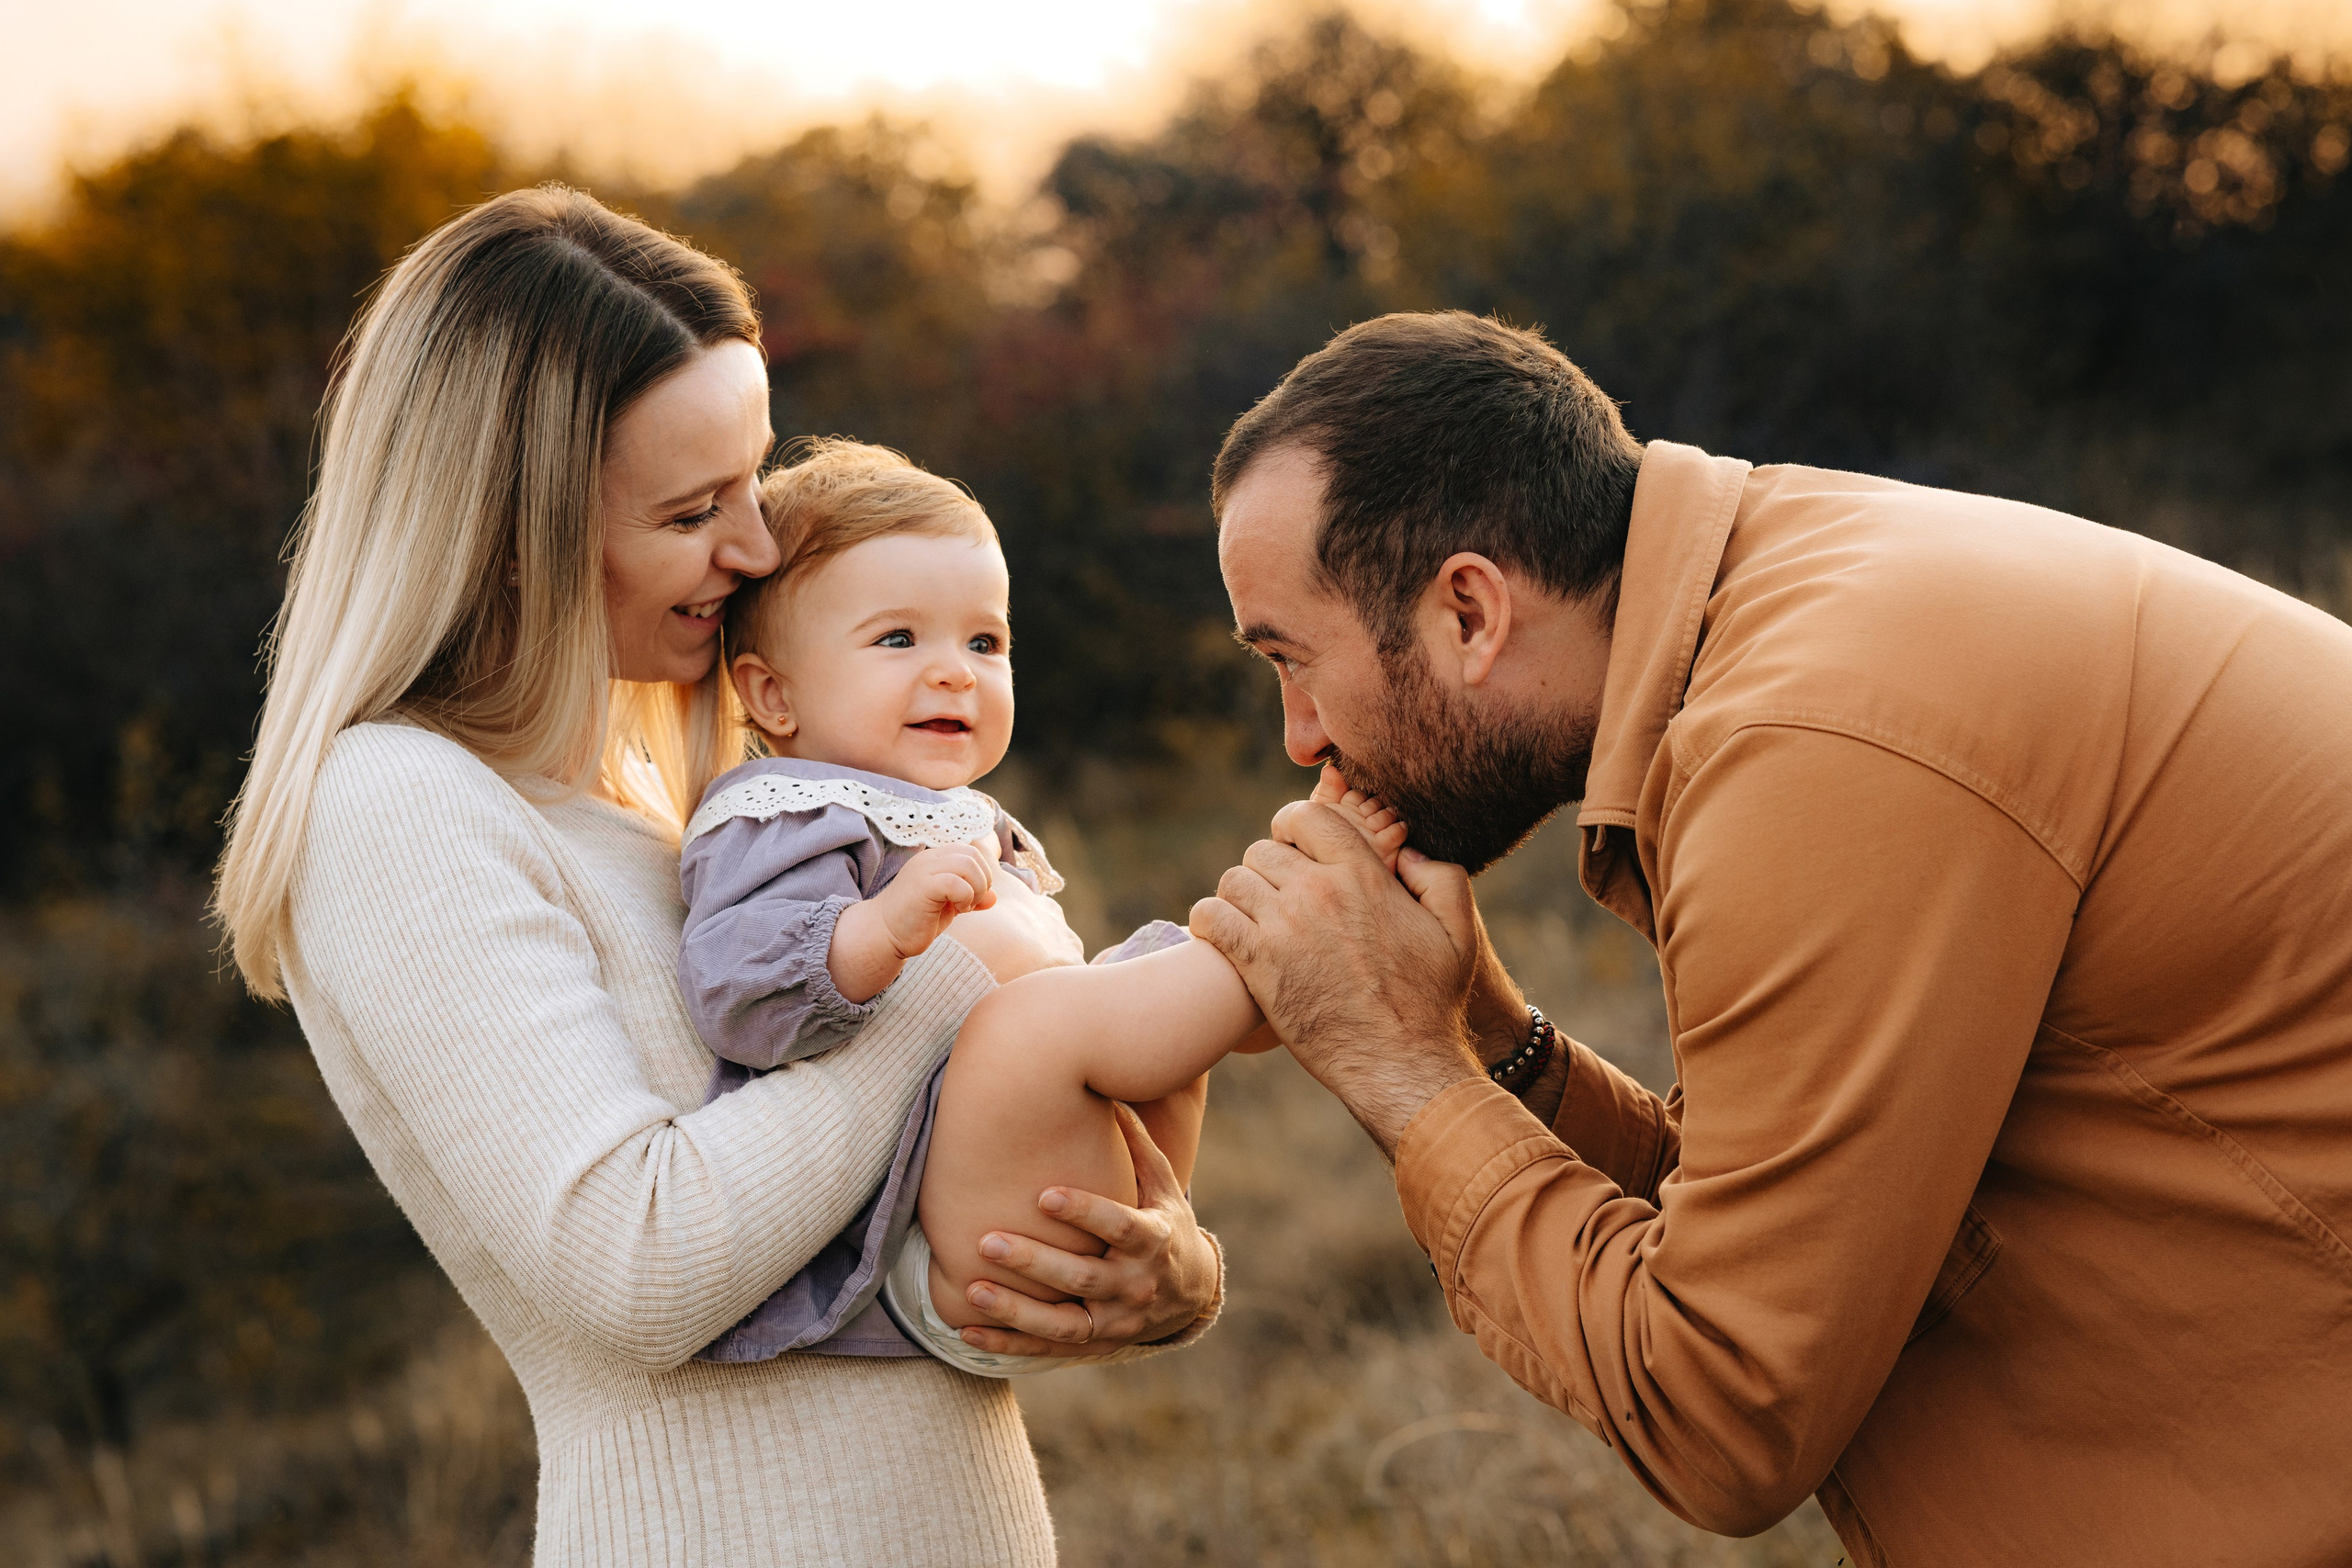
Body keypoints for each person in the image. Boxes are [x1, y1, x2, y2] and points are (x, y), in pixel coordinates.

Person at [1188, 310, 2352, 1568]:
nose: (1301, 733)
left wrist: (1396, 1063)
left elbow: (1726, 1406)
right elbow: (1785, 1225)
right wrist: (1493, 1041)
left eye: (1291, 659)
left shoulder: (1813, 738)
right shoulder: (1792, 597)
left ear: (1469, 610)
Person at [211, 185, 1224, 1567]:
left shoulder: (662, 812)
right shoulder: (396, 806)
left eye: (751, 479)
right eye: (694, 509)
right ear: (520, 528)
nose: (754, 547)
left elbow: (916, 1198)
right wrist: (952, 973)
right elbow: (632, 1262)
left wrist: (1163, 1255)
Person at [674, 439, 1406, 1374]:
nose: (954, 671)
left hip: (1086, 1219)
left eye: (984, 641)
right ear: (772, 694)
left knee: (1139, 969)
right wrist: (878, 931)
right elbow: (738, 996)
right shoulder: (779, 815)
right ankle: (1280, 935)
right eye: (898, 639)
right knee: (1044, 1021)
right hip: (909, 1251)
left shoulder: (952, 816)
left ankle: (1264, 970)